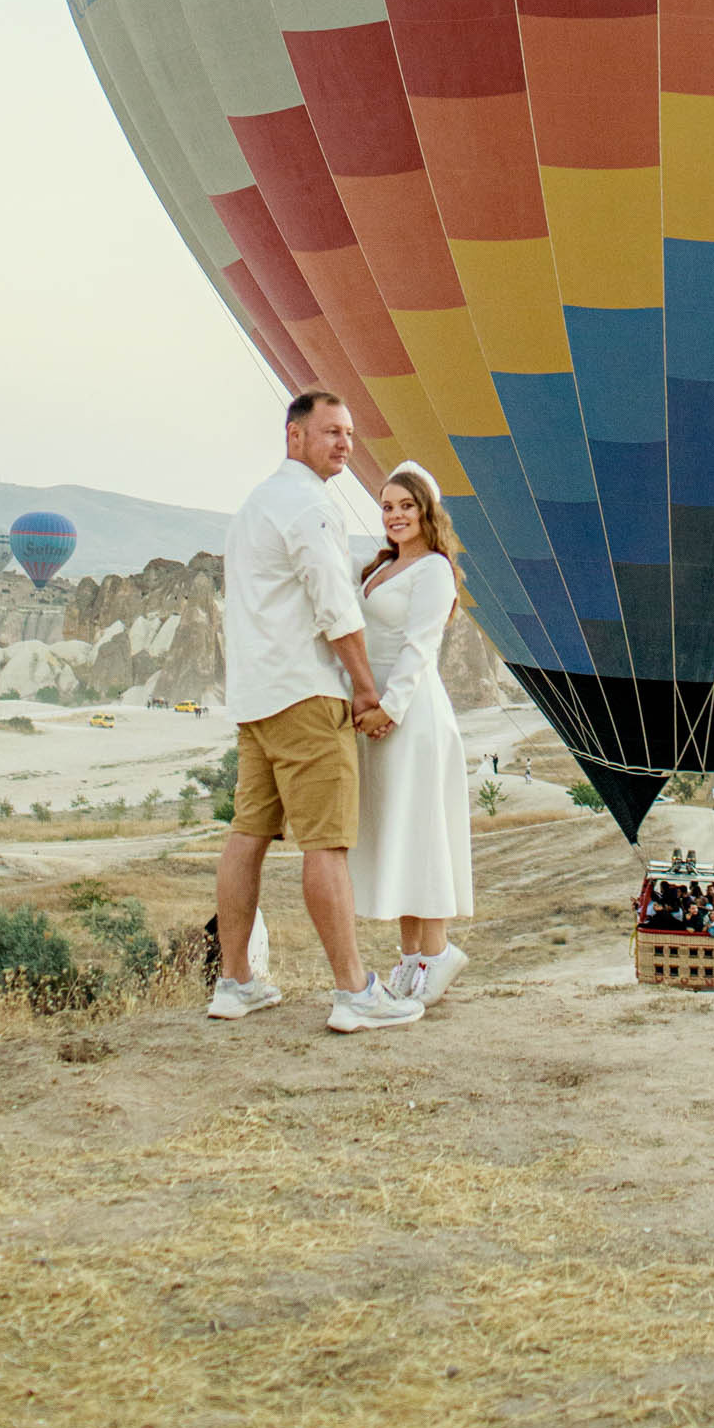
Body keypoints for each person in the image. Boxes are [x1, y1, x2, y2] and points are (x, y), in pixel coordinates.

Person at [211, 386, 424, 1034]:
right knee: (327, 843)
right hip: (306, 694)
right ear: (294, 435)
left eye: (350, 434)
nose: (344, 444)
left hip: (256, 698)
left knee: (247, 836)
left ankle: (235, 981)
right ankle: (354, 991)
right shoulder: (309, 506)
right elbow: (335, 606)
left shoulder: (253, 508)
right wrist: (366, 689)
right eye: (331, 431)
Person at [350, 460, 474, 1004]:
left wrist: (390, 709)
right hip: (377, 713)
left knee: (421, 832)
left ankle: (438, 950)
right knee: (395, 833)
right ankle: (410, 958)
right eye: (387, 506)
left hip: (412, 715)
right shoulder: (378, 568)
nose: (396, 516)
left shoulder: (434, 571)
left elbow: (420, 647)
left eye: (406, 506)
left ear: (427, 512)